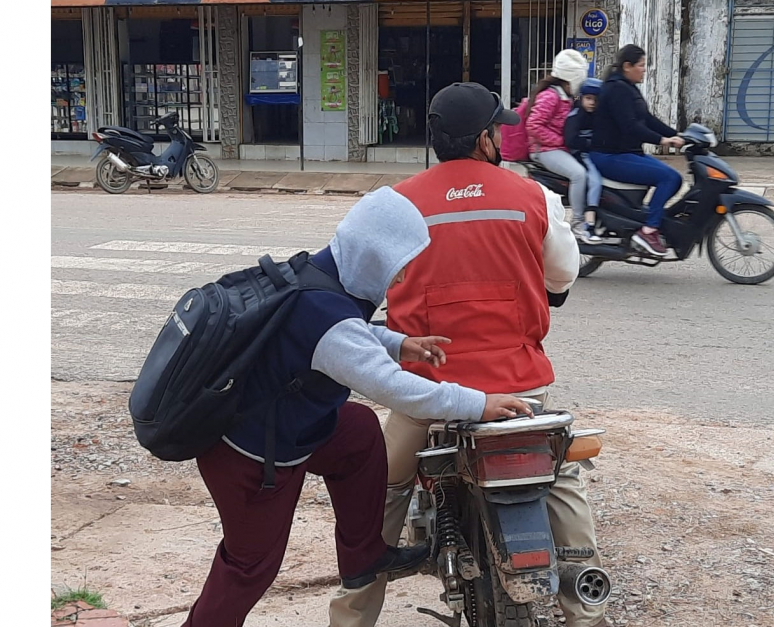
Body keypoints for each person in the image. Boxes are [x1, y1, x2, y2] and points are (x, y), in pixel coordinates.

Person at [181, 187, 532, 627]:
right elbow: (395, 387)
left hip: (281, 422)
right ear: (373, 255)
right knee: (250, 566)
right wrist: (479, 403)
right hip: (248, 457)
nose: (400, 280)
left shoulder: (313, 272)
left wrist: (399, 342)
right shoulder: (326, 318)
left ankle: (365, 555)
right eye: (398, 267)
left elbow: (342, 334)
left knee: (358, 430)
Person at [327, 82, 608, 627]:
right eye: (497, 130)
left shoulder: (393, 203)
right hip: (518, 390)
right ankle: (587, 610)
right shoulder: (533, 197)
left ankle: (353, 617)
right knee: (562, 481)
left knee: (379, 494)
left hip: (428, 397)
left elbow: (350, 289)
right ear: (484, 139)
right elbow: (563, 277)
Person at [590, 44, 686, 256]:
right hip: (609, 156)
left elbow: (648, 120)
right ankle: (649, 230)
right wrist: (664, 140)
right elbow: (631, 127)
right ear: (627, 66)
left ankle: (647, 221)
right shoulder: (616, 90)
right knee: (669, 178)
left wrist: (680, 134)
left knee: (673, 178)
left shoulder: (628, 88)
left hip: (627, 153)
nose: (644, 69)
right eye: (641, 65)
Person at [524, 48, 597, 244]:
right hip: (545, 150)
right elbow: (533, 125)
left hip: (557, 148)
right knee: (579, 174)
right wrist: (560, 141)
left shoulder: (565, 96)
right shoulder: (551, 96)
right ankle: (578, 222)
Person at [564, 77, 604, 242]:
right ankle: (588, 225)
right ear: (581, 98)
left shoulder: (597, 116)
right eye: (588, 98)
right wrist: (591, 143)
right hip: (581, 155)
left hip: (593, 154)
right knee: (595, 181)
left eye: (595, 100)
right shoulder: (575, 116)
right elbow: (571, 140)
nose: (592, 103)